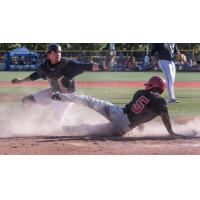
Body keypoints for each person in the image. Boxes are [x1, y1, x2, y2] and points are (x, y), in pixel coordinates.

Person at [60, 76, 184, 138]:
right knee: (95, 130)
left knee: (89, 100)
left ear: (152, 85)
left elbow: (137, 108)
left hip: (118, 114)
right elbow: (162, 116)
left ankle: (59, 96)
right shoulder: (161, 101)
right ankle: (71, 130)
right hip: (124, 129)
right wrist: (170, 132)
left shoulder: (140, 93)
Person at [11, 44, 106, 108]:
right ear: (48, 55)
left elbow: (86, 66)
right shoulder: (45, 66)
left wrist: (102, 66)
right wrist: (20, 81)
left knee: (55, 124)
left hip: (68, 96)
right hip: (54, 93)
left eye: (59, 52)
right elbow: (35, 75)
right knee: (27, 100)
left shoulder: (68, 64)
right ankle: (24, 122)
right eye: (54, 52)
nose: (58, 54)